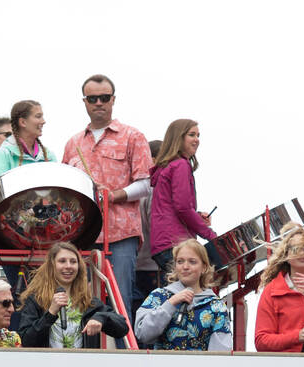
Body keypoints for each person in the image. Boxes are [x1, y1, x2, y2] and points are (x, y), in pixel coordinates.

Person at [62, 74, 153, 313]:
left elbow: (145, 183)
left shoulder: (133, 136)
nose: (99, 103)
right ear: (85, 102)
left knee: (118, 300)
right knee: (78, 302)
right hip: (82, 234)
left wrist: (113, 195)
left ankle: (122, 351)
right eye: (93, 99)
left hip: (121, 234)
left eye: (104, 98)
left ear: (113, 100)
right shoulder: (73, 143)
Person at [17, 242, 127, 349]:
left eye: (73, 262)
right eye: (62, 261)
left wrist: (101, 318)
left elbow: (123, 327)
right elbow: (26, 341)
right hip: (47, 365)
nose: (68, 266)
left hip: (81, 364)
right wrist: (50, 313)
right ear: (52, 265)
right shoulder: (36, 300)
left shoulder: (88, 302)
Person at [149, 119, 217, 284]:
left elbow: (174, 206)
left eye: (198, 135)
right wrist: (211, 235)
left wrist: (196, 216)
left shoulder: (167, 167)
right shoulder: (180, 165)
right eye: (191, 135)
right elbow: (183, 208)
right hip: (175, 243)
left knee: (176, 294)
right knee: (187, 296)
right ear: (178, 138)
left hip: (162, 243)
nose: (196, 140)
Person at [135, 239, 232, 351]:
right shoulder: (159, 296)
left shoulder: (216, 306)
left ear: (204, 267)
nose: (185, 267)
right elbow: (142, 334)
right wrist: (170, 304)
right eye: (180, 261)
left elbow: (220, 354)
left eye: (192, 262)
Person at [131, 139, 162, 316]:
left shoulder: (136, 186)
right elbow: (154, 224)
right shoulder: (154, 185)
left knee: (137, 312)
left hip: (136, 262)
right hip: (152, 263)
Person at [0, 100, 55, 182]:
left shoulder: (49, 155)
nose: (43, 121)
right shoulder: (2, 156)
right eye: (38, 116)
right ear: (23, 122)